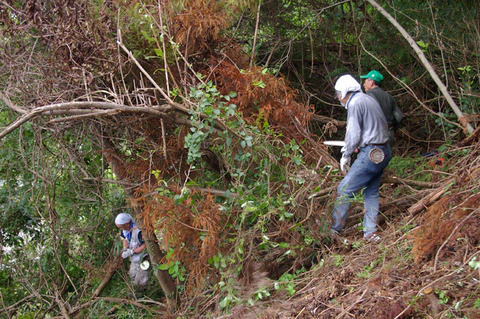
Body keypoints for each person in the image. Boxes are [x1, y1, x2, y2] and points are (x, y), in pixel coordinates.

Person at [330, 74, 392, 241]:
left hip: (371, 154)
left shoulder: (355, 103)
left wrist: (346, 154)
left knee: (344, 189)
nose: (338, 98)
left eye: (338, 94)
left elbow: (353, 132)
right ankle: (370, 233)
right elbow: (373, 128)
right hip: (383, 151)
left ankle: (333, 230)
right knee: (371, 192)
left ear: (343, 91)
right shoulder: (366, 99)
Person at [360, 70, 403, 146]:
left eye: (365, 81)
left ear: (371, 82)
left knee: (373, 156)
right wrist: (392, 128)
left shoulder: (370, 94)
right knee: (386, 156)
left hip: (376, 135)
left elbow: (372, 113)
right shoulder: (389, 96)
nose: (363, 84)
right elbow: (399, 117)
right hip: (389, 133)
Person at [115, 213, 151, 297]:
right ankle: (135, 292)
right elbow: (124, 238)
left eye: (121, 227)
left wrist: (132, 251)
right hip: (135, 258)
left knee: (141, 278)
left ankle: (141, 296)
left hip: (144, 257)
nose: (120, 229)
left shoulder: (138, 231)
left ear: (127, 224)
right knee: (132, 274)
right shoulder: (125, 229)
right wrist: (125, 249)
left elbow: (145, 245)